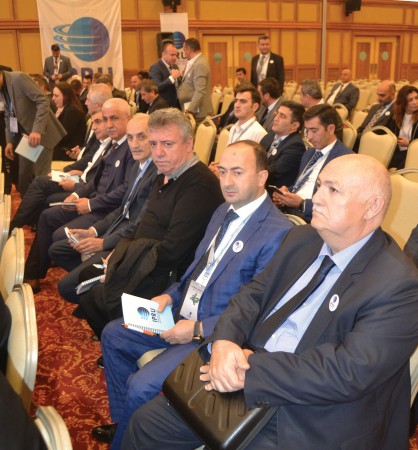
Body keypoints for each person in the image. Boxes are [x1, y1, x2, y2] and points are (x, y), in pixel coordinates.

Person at [123, 154, 418, 450]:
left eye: (333, 190)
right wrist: (225, 342)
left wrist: (251, 368)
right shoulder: (303, 238)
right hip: (244, 367)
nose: (316, 198)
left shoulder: (398, 284)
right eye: (319, 186)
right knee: (147, 425)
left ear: (372, 206)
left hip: (311, 412)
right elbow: (252, 295)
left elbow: (348, 372)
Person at [92, 140, 293, 448]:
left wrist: (197, 329)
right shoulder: (222, 211)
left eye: (238, 172)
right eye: (222, 171)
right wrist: (170, 296)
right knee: (114, 334)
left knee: (141, 385)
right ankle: (125, 423)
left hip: (214, 334)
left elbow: (258, 310)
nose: (227, 181)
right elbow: (197, 271)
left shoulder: (278, 233)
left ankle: (123, 441)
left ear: (261, 177)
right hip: (182, 311)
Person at [75, 108, 224, 340]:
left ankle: (124, 344)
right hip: (146, 259)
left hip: (167, 276)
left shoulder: (199, 186)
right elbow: (142, 223)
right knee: (87, 278)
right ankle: (118, 340)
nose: (158, 153)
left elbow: (172, 251)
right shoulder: (165, 175)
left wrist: (122, 263)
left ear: (189, 143)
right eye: (154, 144)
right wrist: (118, 253)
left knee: (95, 295)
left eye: (167, 144)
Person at [24, 98, 134, 292]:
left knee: (58, 236)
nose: (109, 124)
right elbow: (95, 181)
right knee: (48, 215)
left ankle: (88, 281)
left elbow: (124, 191)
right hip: (94, 202)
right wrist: (76, 196)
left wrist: (90, 204)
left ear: (128, 119)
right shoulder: (113, 144)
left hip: (105, 210)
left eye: (114, 118)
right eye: (105, 119)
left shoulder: (131, 148)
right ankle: (34, 271)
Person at [50, 113, 158, 304]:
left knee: (66, 287)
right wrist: (92, 231)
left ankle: (101, 294)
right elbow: (122, 209)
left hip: (127, 240)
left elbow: (138, 224)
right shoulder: (138, 166)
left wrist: (102, 243)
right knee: (58, 249)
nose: (134, 144)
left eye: (142, 136)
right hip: (115, 228)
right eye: (130, 137)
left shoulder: (157, 173)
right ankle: (96, 288)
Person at [9, 84, 113, 233]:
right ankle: (22, 220)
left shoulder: (75, 113)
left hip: (71, 164)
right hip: (75, 165)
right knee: (31, 158)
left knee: (37, 171)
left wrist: (64, 170)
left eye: (56, 95)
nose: (85, 102)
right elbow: (90, 153)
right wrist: (79, 153)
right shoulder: (73, 113)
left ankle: (16, 224)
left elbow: (65, 140)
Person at [272, 104, 352, 222]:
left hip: (312, 219)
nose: (309, 137)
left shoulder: (345, 160)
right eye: (307, 130)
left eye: (314, 131)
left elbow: (337, 204)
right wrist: (285, 193)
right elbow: (301, 185)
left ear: (330, 129)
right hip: (289, 212)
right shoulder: (309, 153)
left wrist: (302, 204)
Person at [0, 68, 67, 197]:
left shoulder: (19, 78)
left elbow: (43, 101)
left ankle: (45, 207)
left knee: (41, 177)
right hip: (27, 137)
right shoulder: (3, 88)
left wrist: (37, 130)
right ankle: (29, 206)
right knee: (24, 177)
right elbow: (8, 115)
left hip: (42, 134)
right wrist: (9, 141)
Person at [260, 100, 306, 191]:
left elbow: (271, 173)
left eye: (282, 116)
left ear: (294, 125)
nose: (275, 118)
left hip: (272, 193)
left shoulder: (296, 147)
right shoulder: (269, 136)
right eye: (277, 114)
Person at [353, 80, 396, 152]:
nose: (378, 98)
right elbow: (362, 128)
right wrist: (353, 134)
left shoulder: (397, 110)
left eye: (382, 95)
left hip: (376, 144)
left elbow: (383, 133)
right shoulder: (374, 107)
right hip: (360, 140)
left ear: (392, 94)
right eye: (378, 94)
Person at [177, 38, 213, 123]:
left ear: (189, 49)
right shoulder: (194, 62)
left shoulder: (200, 64)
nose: (184, 53)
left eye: (184, 50)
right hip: (193, 110)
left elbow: (200, 90)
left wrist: (190, 110)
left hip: (198, 113)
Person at [51, 81, 86, 160]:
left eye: (56, 95)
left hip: (67, 153)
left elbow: (63, 137)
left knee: (31, 150)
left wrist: (43, 139)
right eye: (53, 95)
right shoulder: (65, 109)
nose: (53, 98)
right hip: (61, 149)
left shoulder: (72, 111)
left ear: (66, 96)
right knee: (29, 148)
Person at [388, 84, 418, 169]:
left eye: (417, 98)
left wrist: (409, 143)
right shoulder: (395, 116)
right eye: (410, 100)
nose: (415, 102)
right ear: (403, 102)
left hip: (413, 154)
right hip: (396, 151)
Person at [149, 42, 181, 108]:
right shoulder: (155, 67)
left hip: (177, 104)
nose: (175, 57)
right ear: (163, 54)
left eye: (176, 55)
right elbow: (156, 87)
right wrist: (172, 78)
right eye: (172, 55)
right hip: (164, 105)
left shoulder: (175, 66)